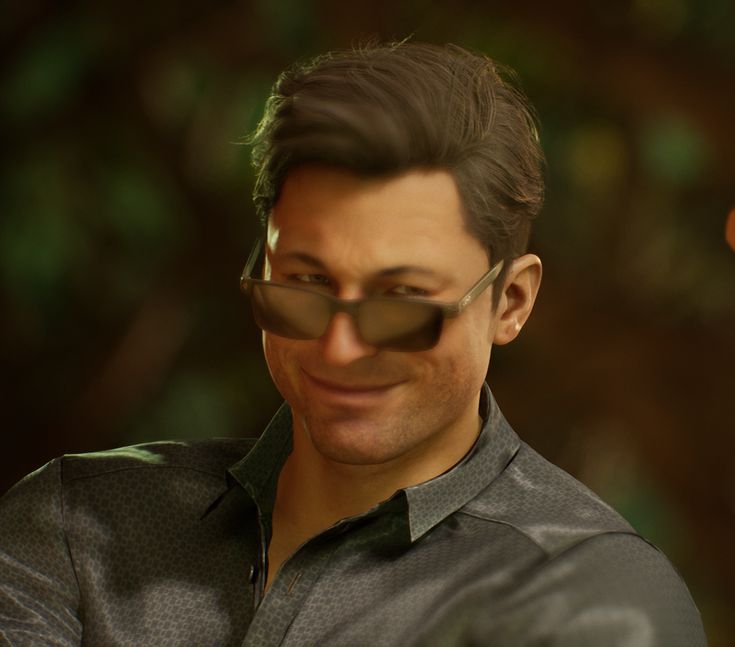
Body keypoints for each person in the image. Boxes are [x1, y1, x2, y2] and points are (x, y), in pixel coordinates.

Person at [0, 42, 707, 646]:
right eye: (304, 284)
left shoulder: (595, 600)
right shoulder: (77, 524)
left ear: (510, 302)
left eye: (401, 301)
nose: (338, 348)